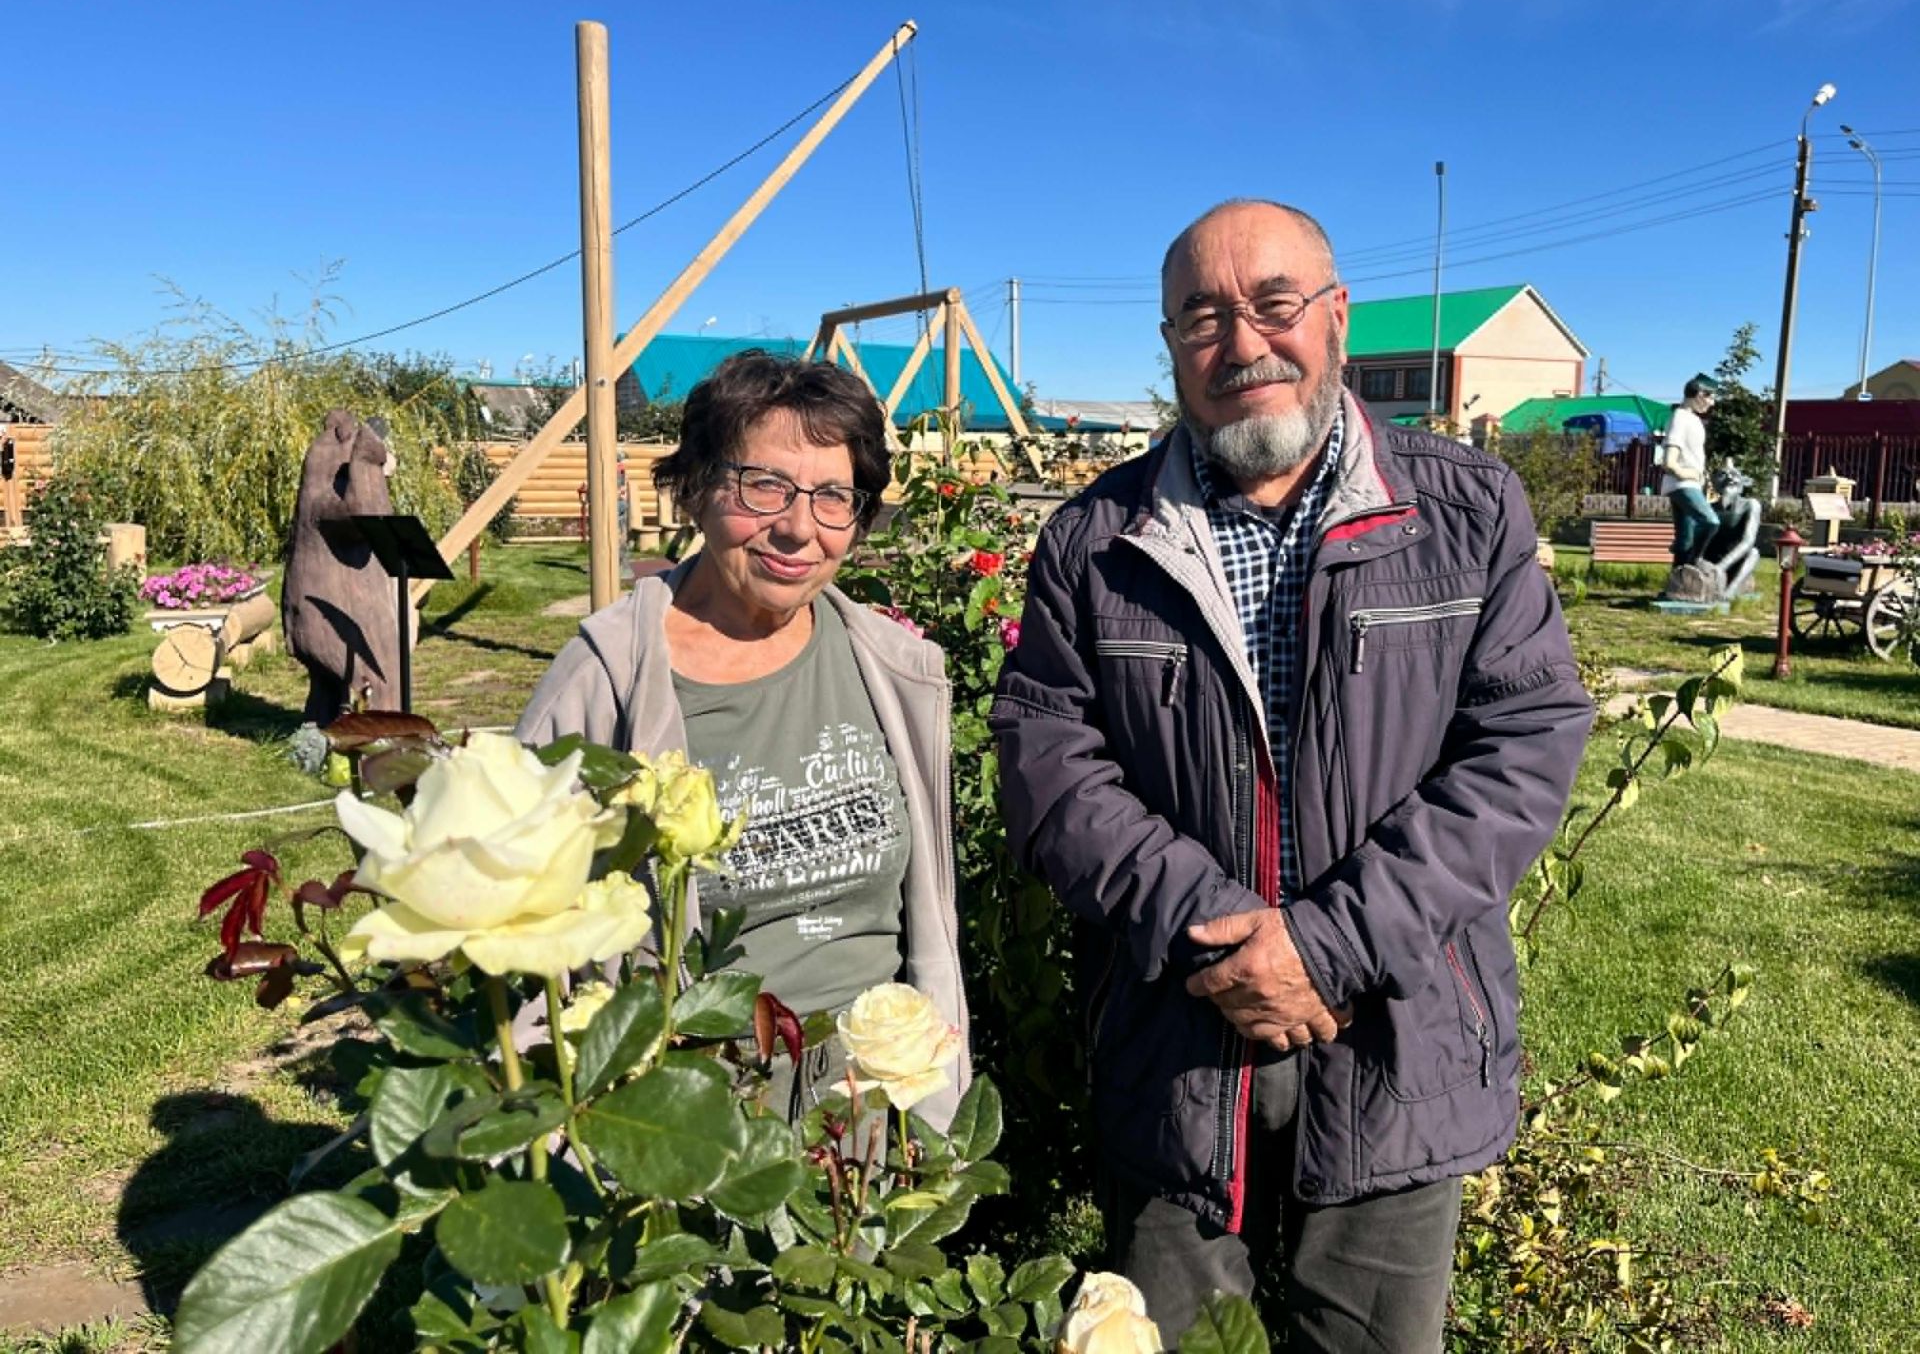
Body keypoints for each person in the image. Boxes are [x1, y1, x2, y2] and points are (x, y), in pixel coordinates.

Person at [991, 200, 1591, 1350]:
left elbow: (1523, 746)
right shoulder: (1095, 538)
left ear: (1336, 317)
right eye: (1203, 317)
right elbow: (1048, 758)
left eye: (1274, 304)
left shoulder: (1464, 512)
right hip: (1176, 1035)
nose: (1243, 343)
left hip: (1398, 1038)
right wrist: (1218, 929)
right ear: (1169, 344)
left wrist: (1326, 947)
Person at [516, 351, 968, 1127]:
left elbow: (926, 920)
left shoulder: (897, 673)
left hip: (880, 1112)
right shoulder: (608, 678)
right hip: (687, 1119)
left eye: (834, 497)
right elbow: (518, 905)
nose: (798, 527)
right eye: (764, 486)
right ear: (695, 489)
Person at [1661, 375, 1719, 565]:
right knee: (1710, 521)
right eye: (1710, 397)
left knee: (1685, 539)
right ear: (1699, 394)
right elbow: (1669, 462)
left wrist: (1703, 479)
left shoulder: (1693, 420)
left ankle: (1678, 580)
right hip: (1682, 485)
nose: (1712, 403)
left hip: (1690, 484)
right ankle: (1696, 562)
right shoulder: (1680, 418)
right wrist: (1691, 474)